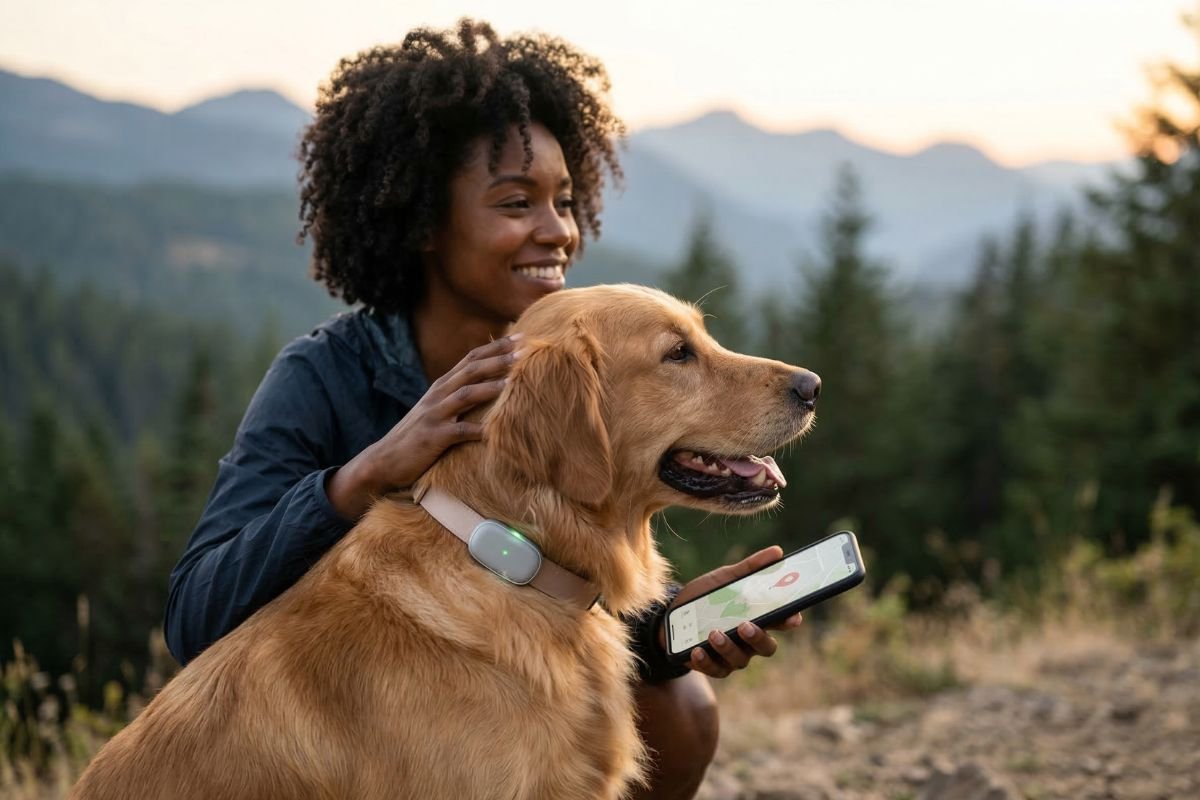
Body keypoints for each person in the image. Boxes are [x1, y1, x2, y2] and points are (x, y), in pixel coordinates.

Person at [163, 19, 801, 800]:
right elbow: (195, 619)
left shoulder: (572, 349)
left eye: (564, 201)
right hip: (365, 708)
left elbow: (538, 573)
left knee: (680, 707)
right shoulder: (324, 376)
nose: (557, 231)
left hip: (507, 677)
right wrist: (364, 475)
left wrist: (675, 624)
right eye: (516, 202)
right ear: (424, 221)